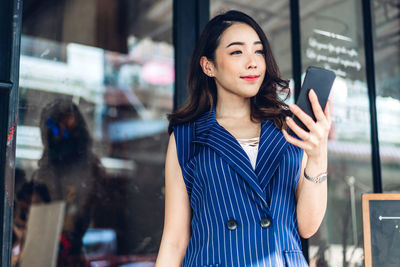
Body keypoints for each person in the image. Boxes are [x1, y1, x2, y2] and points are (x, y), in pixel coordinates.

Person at [155, 10, 330, 267]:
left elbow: (307, 227)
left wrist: (318, 156)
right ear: (208, 66)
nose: (253, 63)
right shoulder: (187, 138)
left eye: (258, 51)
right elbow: (175, 240)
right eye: (237, 52)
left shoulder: (290, 128)